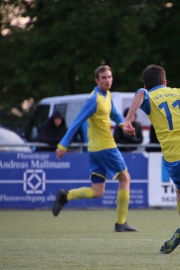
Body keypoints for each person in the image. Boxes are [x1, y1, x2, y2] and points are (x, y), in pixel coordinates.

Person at [123, 64, 180, 254]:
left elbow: (140, 93)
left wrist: (128, 119)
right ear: (165, 82)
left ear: (147, 85)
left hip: (172, 157)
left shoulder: (148, 96)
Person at [52, 65, 138, 232]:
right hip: (106, 147)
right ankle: (121, 223)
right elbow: (77, 121)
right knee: (125, 178)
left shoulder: (107, 95)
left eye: (109, 77)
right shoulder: (94, 99)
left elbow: (114, 114)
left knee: (97, 191)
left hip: (95, 150)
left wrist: (123, 124)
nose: (107, 80)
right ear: (96, 80)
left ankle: (66, 195)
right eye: (104, 77)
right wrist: (63, 145)